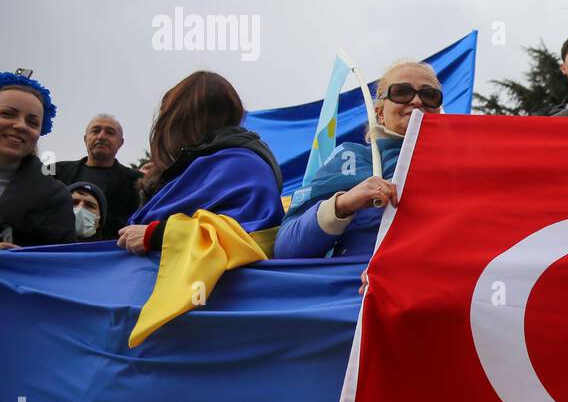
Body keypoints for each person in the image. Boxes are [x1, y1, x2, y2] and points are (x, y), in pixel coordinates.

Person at [275, 61, 441, 259]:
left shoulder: (462, 165)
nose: (416, 101)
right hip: (357, 285)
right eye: (401, 92)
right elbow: (286, 248)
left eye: (429, 95)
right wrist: (342, 205)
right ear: (380, 113)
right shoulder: (352, 159)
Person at [117, 71, 283, 254]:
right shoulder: (201, 165)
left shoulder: (242, 166)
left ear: (184, 118)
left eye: (170, 118)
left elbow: (248, 236)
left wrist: (158, 235)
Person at [0, 71, 75, 248]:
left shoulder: (56, 197)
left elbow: (63, 264)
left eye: (32, 122)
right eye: (7, 114)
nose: (20, 125)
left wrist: (27, 262)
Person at [53, 114, 143, 238]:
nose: (101, 136)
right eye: (95, 131)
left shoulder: (138, 181)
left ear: (121, 142)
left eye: (110, 132)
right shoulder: (55, 172)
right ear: (85, 139)